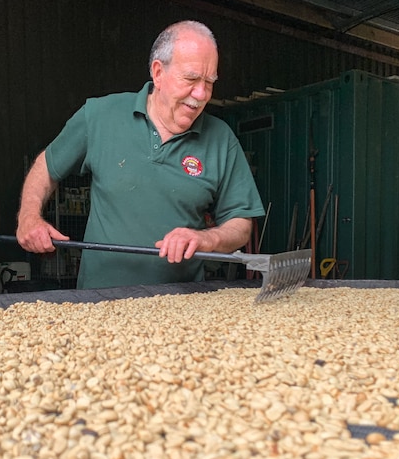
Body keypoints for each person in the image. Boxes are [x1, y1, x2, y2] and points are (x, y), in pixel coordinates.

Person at [16, 20, 265, 289]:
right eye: (191, 79)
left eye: (209, 82)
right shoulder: (99, 116)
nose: (201, 94)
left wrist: (206, 239)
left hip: (183, 306)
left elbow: (241, 224)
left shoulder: (221, 139)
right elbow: (47, 166)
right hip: (97, 302)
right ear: (158, 73)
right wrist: (29, 216)